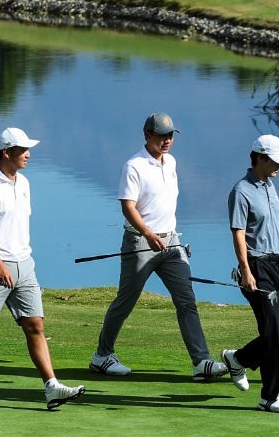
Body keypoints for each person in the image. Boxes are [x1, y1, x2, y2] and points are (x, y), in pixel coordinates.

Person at [90, 112, 229, 381]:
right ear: (147, 135)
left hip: (171, 243)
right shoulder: (134, 166)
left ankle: (201, 361)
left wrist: (164, 235)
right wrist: (148, 233)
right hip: (140, 242)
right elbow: (127, 207)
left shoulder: (171, 162)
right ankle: (102, 356)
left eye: (170, 135)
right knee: (126, 301)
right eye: (162, 135)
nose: (167, 140)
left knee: (186, 300)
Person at [0, 126, 86, 411]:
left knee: (35, 325)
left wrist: (20, 262)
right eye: (23, 150)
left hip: (25, 264)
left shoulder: (25, 183)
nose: (28, 154)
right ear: (7, 152)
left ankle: (52, 386)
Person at [219, 134, 279, 413]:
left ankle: (238, 359)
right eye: (275, 161)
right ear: (260, 159)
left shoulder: (269, 185)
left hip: (277, 265)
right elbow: (238, 233)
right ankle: (269, 397)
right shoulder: (241, 191)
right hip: (256, 267)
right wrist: (245, 270)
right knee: (272, 332)